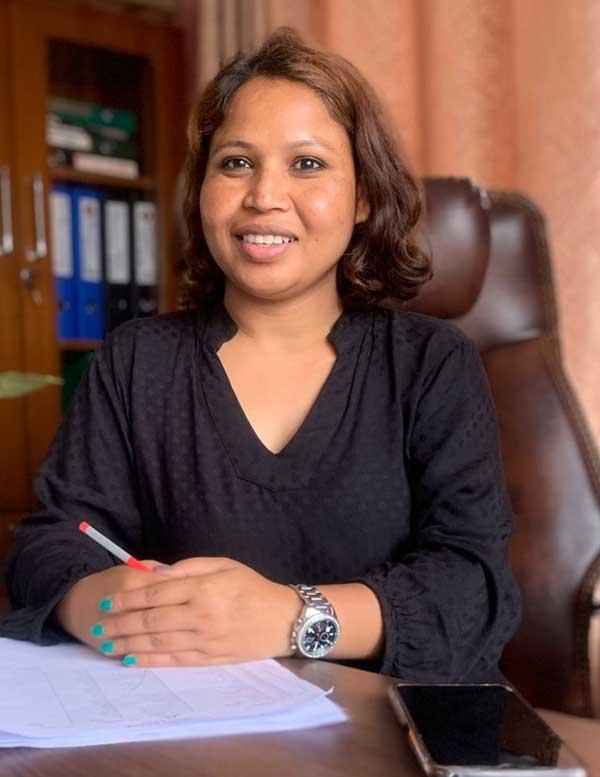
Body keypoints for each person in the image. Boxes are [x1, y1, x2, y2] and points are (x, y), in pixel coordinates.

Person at [1, 27, 520, 680]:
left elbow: (474, 587)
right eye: (236, 163)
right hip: (191, 718)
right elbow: (50, 542)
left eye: (307, 164)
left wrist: (288, 616)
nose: (264, 196)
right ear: (202, 188)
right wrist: (100, 601)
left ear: (363, 197)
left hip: (391, 721)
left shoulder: (431, 364)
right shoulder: (137, 360)